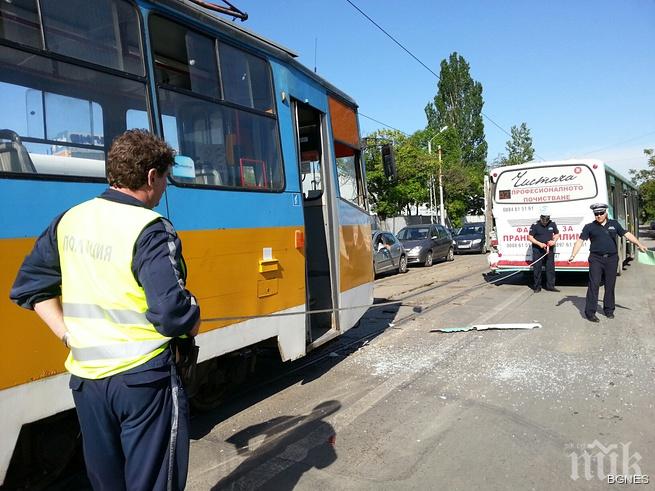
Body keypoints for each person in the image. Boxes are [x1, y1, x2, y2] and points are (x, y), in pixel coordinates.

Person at [10, 130, 200, 490]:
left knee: (107, 483)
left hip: (88, 383)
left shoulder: (70, 220)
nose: (164, 189)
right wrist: (194, 315)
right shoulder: (150, 228)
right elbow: (171, 313)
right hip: (144, 382)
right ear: (150, 177)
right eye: (165, 180)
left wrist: (68, 334)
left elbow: (30, 288)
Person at [568, 203, 647, 322]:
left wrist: (639, 244)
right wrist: (573, 255)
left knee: (610, 285)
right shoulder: (589, 227)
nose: (598, 216)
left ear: (606, 213)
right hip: (596, 259)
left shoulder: (614, 224)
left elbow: (627, 234)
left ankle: (609, 310)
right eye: (596, 214)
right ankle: (590, 312)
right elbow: (579, 241)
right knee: (593, 285)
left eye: (601, 213)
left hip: (612, 259)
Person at [527, 206, 560, 292]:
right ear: (540, 218)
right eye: (544, 219)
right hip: (538, 249)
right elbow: (530, 237)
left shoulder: (552, 224)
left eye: (547, 219)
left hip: (549, 249)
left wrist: (554, 241)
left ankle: (550, 286)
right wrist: (539, 243)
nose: (545, 222)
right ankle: (537, 287)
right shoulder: (535, 225)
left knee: (550, 268)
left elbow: (557, 234)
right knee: (537, 268)